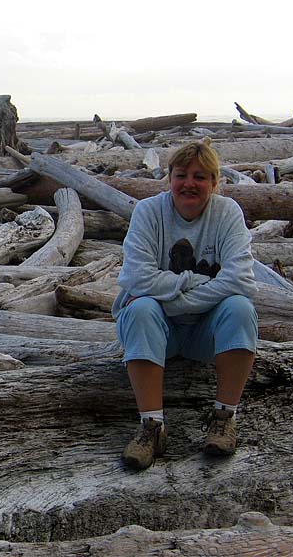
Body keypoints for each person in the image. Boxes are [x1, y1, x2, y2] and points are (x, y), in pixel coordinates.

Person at [112, 139, 257, 471]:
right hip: (156, 331)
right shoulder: (148, 212)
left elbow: (241, 282)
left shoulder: (228, 214)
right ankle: (152, 427)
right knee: (140, 308)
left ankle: (224, 418)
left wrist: (172, 299)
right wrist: (195, 281)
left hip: (205, 333)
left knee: (240, 308)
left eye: (200, 177)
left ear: (214, 183)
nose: (189, 183)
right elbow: (136, 279)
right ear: (169, 178)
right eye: (181, 175)